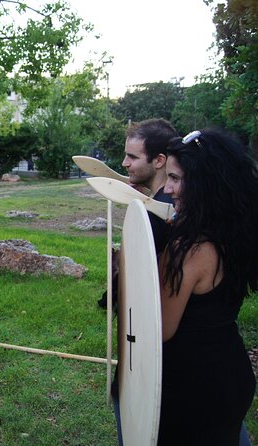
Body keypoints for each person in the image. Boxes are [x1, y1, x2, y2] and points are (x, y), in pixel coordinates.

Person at [157, 128, 257, 444]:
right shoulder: (237, 232)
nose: (167, 188)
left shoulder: (190, 248)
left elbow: (160, 328)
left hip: (191, 385)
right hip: (231, 372)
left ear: (203, 183)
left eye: (175, 178)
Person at [99, 118, 179, 309]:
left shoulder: (156, 212)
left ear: (159, 160)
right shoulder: (172, 201)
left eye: (132, 157)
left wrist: (110, 298)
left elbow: (136, 278)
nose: (124, 163)